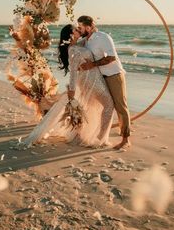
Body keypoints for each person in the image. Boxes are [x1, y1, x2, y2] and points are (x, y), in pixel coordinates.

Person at [24, 24, 114, 148]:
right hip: (90, 80)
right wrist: (72, 90)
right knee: (109, 104)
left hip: (92, 77)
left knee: (94, 106)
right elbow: (72, 72)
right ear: (71, 35)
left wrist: (92, 29)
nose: (79, 30)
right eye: (76, 30)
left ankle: (90, 135)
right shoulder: (73, 50)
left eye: (78, 28)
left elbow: (89, 37)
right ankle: (100, 139)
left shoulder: (78, 44)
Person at [77, 15, 131, 150]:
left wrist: (92, 65)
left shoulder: (103, 37)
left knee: (120, 106)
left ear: (88, 27)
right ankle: (104, 133)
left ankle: (125, 139)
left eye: (80, 27)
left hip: (114, 75)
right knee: (106, 105)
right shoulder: (86, 40)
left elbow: (112, 57)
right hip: (101, 77)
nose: (79, 29)